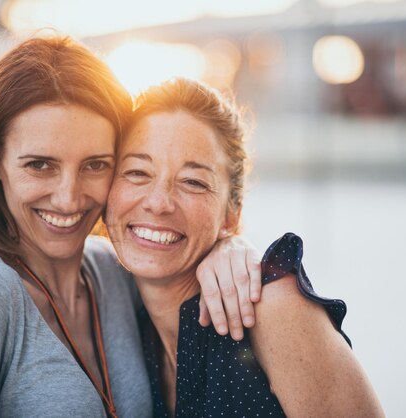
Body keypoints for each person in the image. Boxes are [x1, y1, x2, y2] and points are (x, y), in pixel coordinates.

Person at [0, 37, 264, 417]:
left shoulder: (115, 272)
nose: (68, 199)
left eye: (95, 165)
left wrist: (229, 245)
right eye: (40, 165)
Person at [105, 78, 386, 417]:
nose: (159, 202)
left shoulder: (272, 309)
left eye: (193, 182)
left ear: (231, 215)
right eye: (137, 172)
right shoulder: (120, 317)